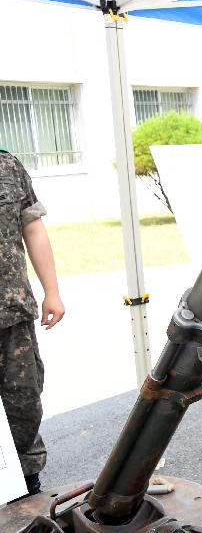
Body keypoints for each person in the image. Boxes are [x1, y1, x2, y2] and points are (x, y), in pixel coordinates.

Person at [0, 147, 65, 501]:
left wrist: (51, 291)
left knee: (23, 401)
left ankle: (27, 486)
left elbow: (34, 228)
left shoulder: (8, 165)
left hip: (13, 312)